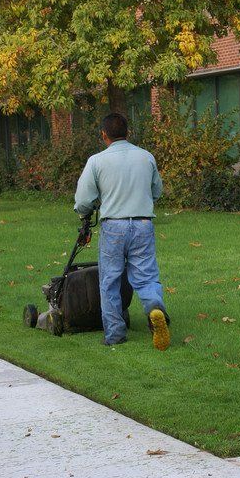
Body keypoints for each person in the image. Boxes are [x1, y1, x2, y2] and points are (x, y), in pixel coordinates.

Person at [74, 113, 170, 349]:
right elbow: (157, 191)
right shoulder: (146, 157)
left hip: (113, 226)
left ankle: (115, 334)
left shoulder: (96, 161)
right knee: (146, 275)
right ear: (128, 132)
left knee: (110, 280)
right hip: (143, 223)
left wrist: (85, 211)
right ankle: (154, 308)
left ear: (103, 135)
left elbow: (84, 200)